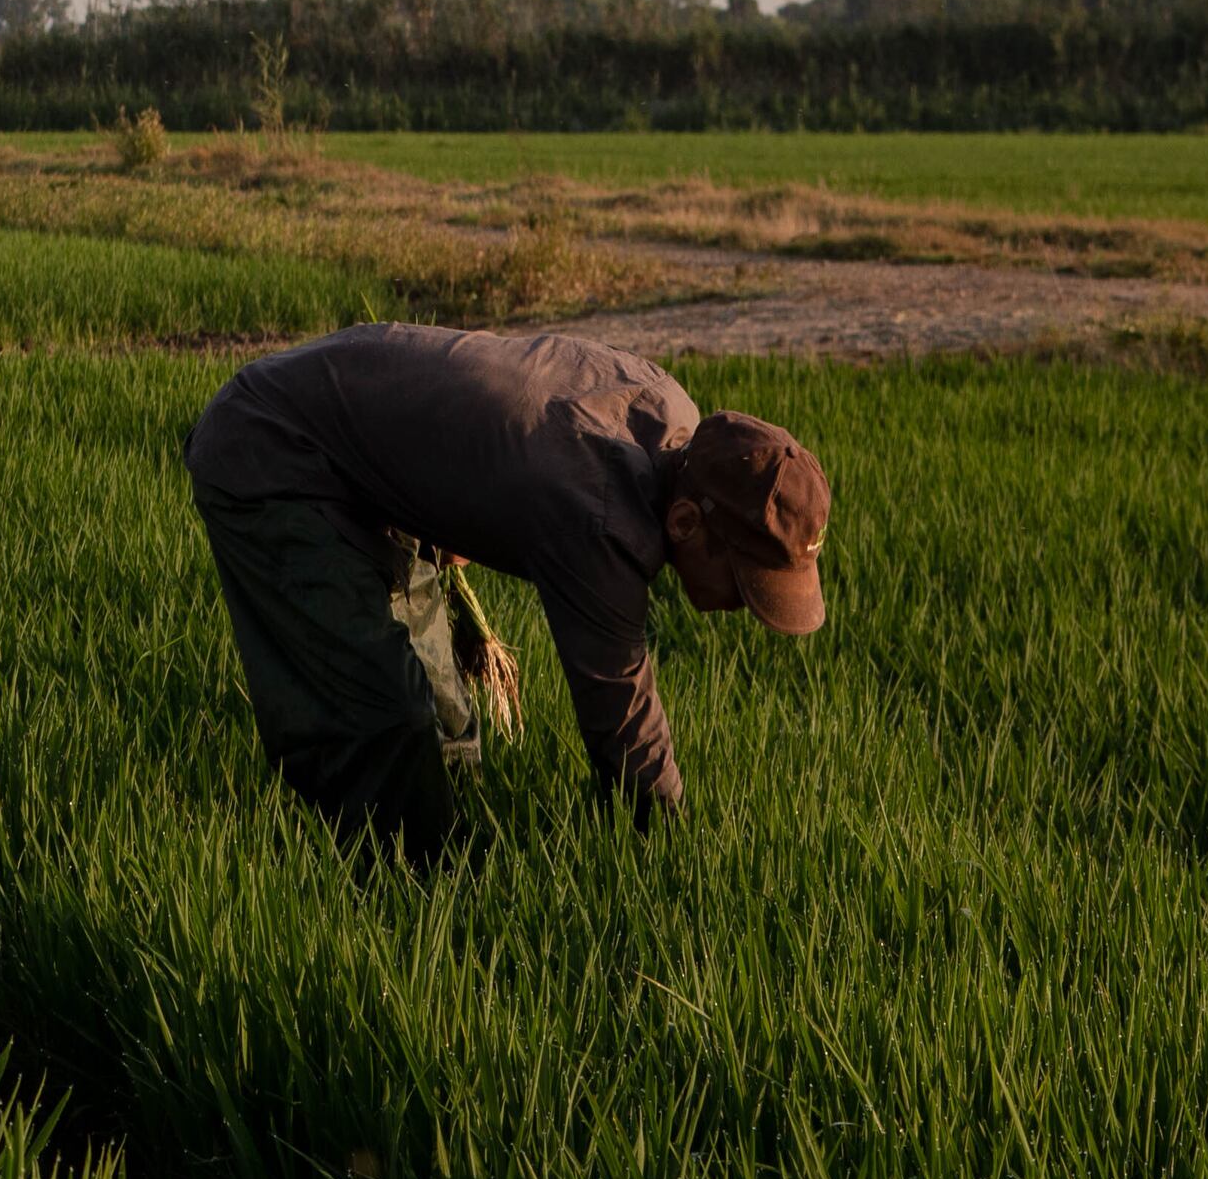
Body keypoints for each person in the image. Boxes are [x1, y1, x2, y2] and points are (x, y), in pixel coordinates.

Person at [185, 321, 829, 853]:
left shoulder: (675, 412)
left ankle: (448, 844)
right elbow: (621, 720)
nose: (744, 605)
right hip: (274, 450)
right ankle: (405, 899)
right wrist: (673, 852)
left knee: (445, 719)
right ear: (687, 522)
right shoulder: (600, 515)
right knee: (379, 718)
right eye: (745, 583)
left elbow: (516, 396)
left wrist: (463, 488)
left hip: (362, 461)